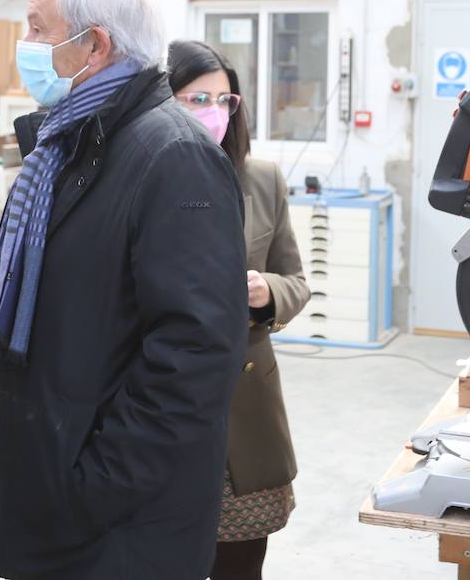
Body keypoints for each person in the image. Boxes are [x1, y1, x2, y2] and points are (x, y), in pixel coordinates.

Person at [0, 0, 248, 580]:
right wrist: (1, 305)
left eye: (37, 27)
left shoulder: (171, 155)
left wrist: (95, 487)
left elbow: (196, 354)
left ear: (94, 46)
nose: (26, 44)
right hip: (57, 484)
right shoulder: (73, 142)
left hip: (116, 525)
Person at [167, 40, 310, 580]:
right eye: (196, 98)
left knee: (240, 562)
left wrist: (267, 291)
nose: (214, 112)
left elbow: (296, 280)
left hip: (244, 404)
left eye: (225, 101)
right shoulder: (144, 176)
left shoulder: (261, 178)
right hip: (165, 402)